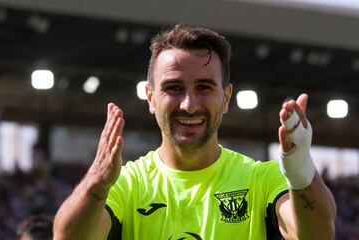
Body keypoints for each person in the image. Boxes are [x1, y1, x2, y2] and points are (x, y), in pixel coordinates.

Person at [53, 24, 336, 239]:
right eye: (174, 88)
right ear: (150, 97)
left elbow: (317, 234)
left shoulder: (261, 180)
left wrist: (300, 170)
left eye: (204, 87)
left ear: (226, 98)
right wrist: (96, 184)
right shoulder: (126, 185)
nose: (189, 105)